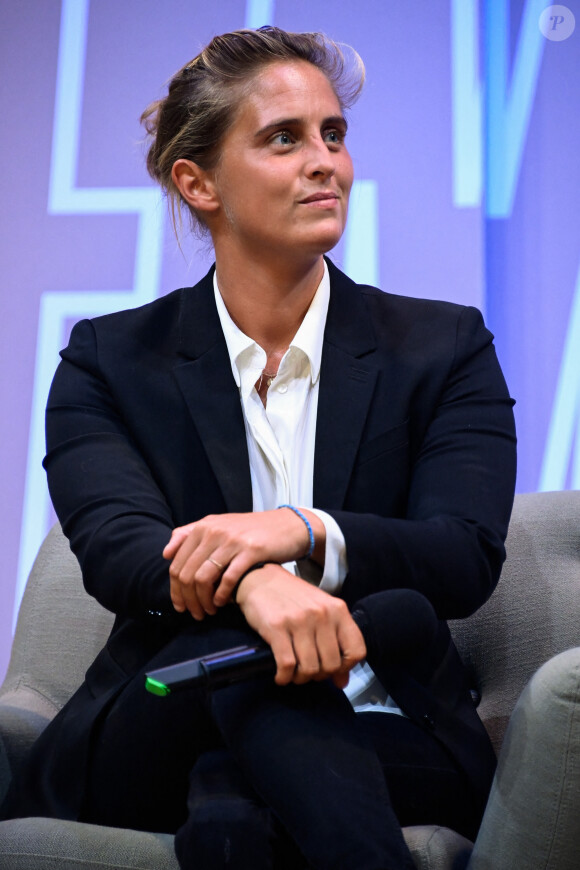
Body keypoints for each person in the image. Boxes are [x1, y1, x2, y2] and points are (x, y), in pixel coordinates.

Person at [1, 26, 516, 870]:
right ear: (197, 183)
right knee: (247, 683)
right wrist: (262, 590)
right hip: (159, 720)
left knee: (237, 779)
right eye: (285, 138)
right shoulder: (109, 360)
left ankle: (227, 812)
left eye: (333, 135)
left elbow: (461, 556)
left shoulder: (445, 347)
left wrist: (298, 531)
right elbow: (122, 553)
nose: (326, 162)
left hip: (386, 726)